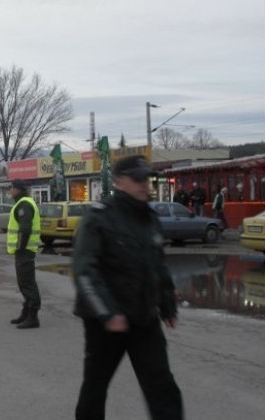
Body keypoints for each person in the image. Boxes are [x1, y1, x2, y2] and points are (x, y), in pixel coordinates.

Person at [72, 155, 183, 420]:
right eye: (137, 179)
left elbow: (158, 264)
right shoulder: (99, 218)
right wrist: (108, 313)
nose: (145, 184)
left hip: (144, 319)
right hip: (106, 324)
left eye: (146, 178)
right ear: (120, 182)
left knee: (162, 386)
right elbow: (84, 270)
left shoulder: (150, 218)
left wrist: (167, 304)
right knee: (95, 387)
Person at [7, 179, 42, 329]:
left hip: (24, 251)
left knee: (27, 284)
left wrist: (20, 248)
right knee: (24, 283)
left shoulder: (24, 205)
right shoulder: (22, 203)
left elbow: (25, 229)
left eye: (12, 188)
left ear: (18, 189)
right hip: (24, 251)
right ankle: (26, 312)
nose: (10, 191)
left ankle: (33, 316)